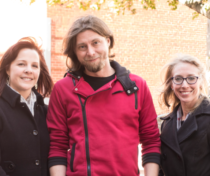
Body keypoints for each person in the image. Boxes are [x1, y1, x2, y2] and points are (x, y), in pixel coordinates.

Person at [47, 15, 161, 176]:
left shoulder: (137, 86)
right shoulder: (62, 89)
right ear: (75, 52)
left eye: (95, 43)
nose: (90, 52)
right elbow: (57, 145)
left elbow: (151, 141)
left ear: (107, 41)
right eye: (82, 47)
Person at [0, 37, 53, 176]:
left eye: (34, 65)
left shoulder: (47, 112)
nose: (29, 70)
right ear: (8, 69)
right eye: (21, 64)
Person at [158, 54, 210, 176]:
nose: (184, 85)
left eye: (191, 78)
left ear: (200, 82)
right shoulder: (167, 124)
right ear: (172, 84)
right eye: (178, 79)